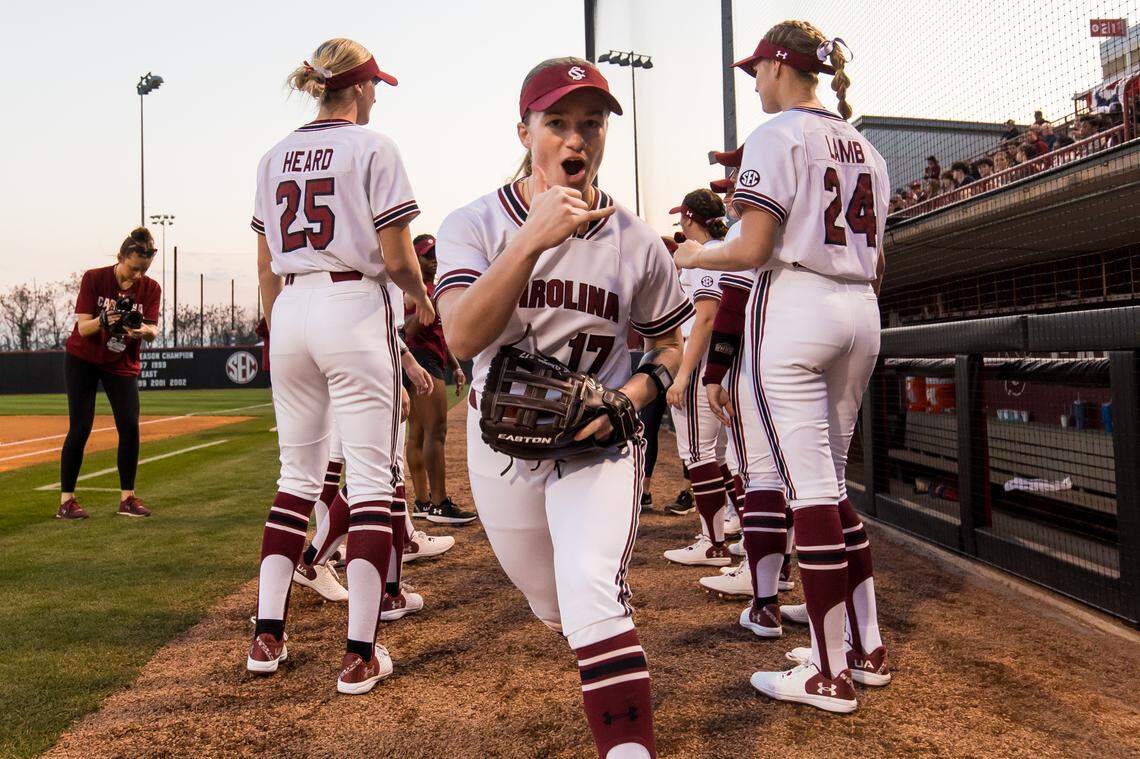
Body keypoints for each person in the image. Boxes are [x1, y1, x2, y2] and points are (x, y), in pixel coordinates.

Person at [436, 56, 689, 759]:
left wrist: (633, 397)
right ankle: (588, 630)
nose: (576, 140)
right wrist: (529, 241)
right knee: (556, 607)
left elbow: (672, 342)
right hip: (502, 447)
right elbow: (460, 334)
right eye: (558, 124)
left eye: (591, 123)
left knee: (589, 587)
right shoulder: (476, 223)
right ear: (525, 132)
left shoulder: (635, 241)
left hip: (599, 443)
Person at [675, 19, 890, 714]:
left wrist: (693, 256)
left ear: (775, 67)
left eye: (757, 71)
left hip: (797, 304)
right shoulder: (866, 146)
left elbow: (751, 246)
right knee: (830, 486)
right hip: (862, 308)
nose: (755, 82)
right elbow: (880, 261)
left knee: (810, 492)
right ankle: (867, 647)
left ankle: (830, 672)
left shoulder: (776, 133)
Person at [245, 37, 435, 696]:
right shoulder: (372, 146)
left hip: (291, 307)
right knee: (374, 481)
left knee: (295, 478)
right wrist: (418, 293)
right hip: (353, 302)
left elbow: (266, 264)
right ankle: (359, 651)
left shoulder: (273, 156)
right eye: (374, 84)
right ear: (355, 87)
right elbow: (397, 250)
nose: (377, 94)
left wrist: (281, 325)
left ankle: (267, 634)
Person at [57, 228, 161, 520]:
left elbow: (152, 328)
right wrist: (104, 320)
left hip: (121, 362)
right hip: (83, 359)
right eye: (133, 268)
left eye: (143, 269)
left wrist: (143, 331)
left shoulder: (151, 288)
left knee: (129, 425)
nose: (138, 275)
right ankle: (67, 501)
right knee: (80, 426)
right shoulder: (94, 278)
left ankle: (127, 498)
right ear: (121, 258)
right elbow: (83, 328)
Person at [662, 189, 740, 568]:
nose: (680, 224)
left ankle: (713, 544)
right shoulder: (730, 250)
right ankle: (741, 531)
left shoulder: (702, 257)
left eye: (682, 218)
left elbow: (705, 318)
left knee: (699, 455)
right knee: (725, 459)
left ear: (691, 218)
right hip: (726, 367)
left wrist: (683, 376)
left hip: (702, 363)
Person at [403, 233, 476, 525]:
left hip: (427, 360)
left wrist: (457, 366)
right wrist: (423, 308)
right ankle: (439, 502)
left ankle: (421, 501)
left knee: (419, 434)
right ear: (414, 258)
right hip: (421, 361)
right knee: (436, 432)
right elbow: (406, 330)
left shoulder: (427, 289)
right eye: (426, 256)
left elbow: (440, 333)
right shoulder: (414, 289)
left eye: (435, 255)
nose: (433, 260)